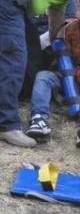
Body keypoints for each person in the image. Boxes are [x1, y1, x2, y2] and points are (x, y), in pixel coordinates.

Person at [0, 0, 80, 148]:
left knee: (32, 52)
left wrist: (58, 47)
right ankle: (5, 125)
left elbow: (55, 18)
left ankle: (17, 97)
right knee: (12, 58)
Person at [26, 19, 80, 147]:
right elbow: (41, 43)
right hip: (67, 76)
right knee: (44, 76)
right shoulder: (69, 28)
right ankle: (39, 118)